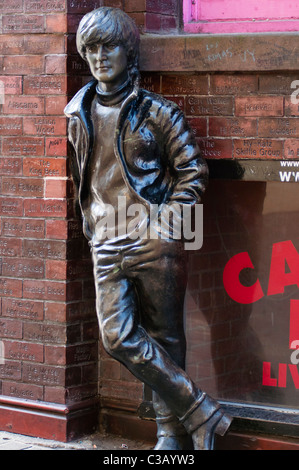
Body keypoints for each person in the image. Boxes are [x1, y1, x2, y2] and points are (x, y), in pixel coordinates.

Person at [65, 6, 232, 450]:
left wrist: (165, 225)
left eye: (109, 46)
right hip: (105, 238)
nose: (100, 57)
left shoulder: (156, 111)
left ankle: (169, 434)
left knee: (165, 336)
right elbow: (80, 177)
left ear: (128, 52)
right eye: (91, 48)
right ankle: (201, 411)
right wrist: (92, 226)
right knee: (116, 336)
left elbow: (192, 172)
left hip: (154, 238)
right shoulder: (76, 115)